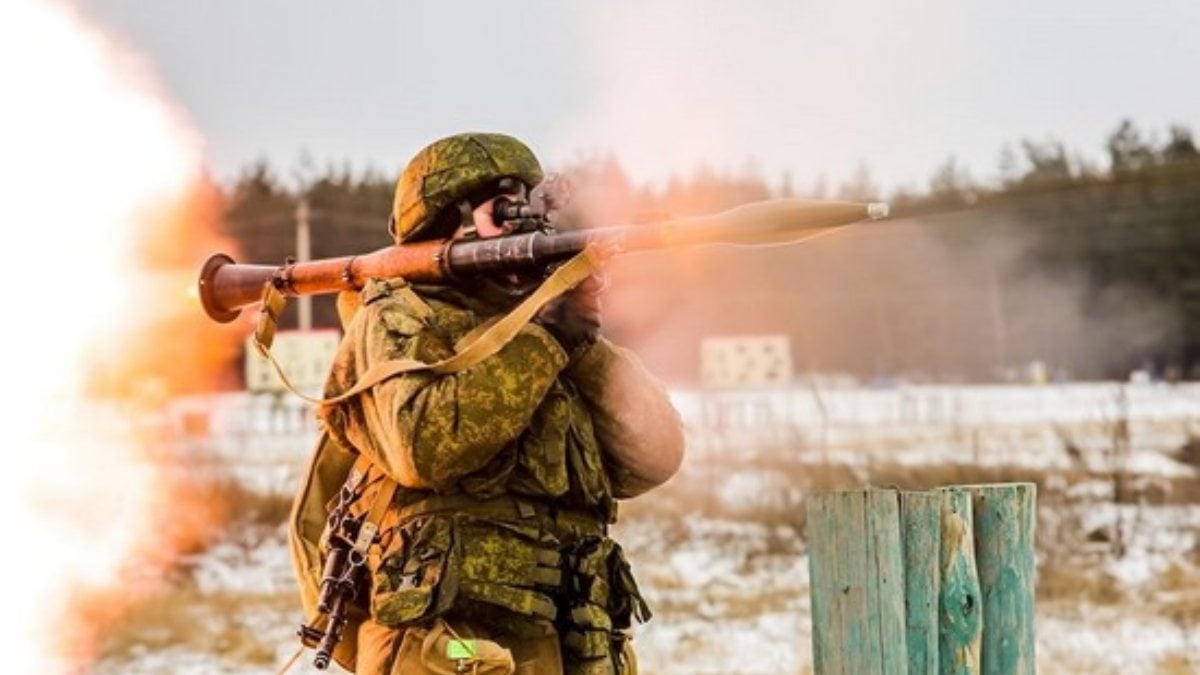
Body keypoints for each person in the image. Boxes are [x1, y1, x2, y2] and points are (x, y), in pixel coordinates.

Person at [317, 132, 685, 675]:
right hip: (458, 649)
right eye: (503, 211)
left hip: (569, 642)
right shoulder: (399, 318)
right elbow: (424, 447)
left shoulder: (552, 331)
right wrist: (542, 341)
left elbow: (657, 455)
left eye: (530, 209)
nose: (525, 224)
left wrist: (579, 343)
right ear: (447, 223)